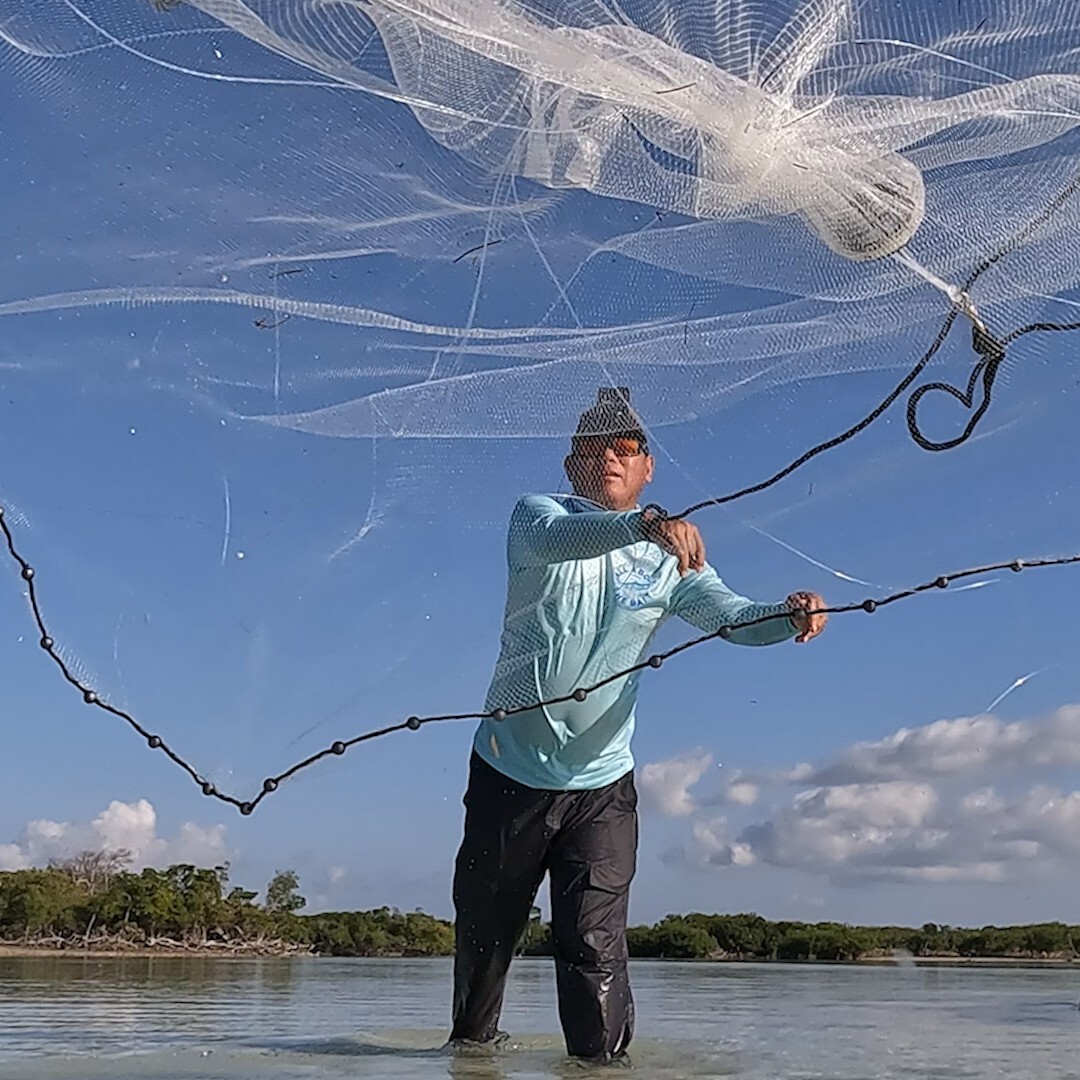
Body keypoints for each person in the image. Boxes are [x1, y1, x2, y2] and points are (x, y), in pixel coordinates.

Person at [448, 387, 827, 1065]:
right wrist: (646, 524)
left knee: (593, 946)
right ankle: (471, 1060)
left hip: (601, 786)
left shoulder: (671, 557)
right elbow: (562, 540)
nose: (609, 458)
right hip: (507, 772)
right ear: (571, 464)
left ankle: (600, 1069)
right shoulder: (539, 516)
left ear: (648, 466)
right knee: (486, 942)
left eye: (625, 449)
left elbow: (731, 617)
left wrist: (788, 614)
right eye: (593, 449)